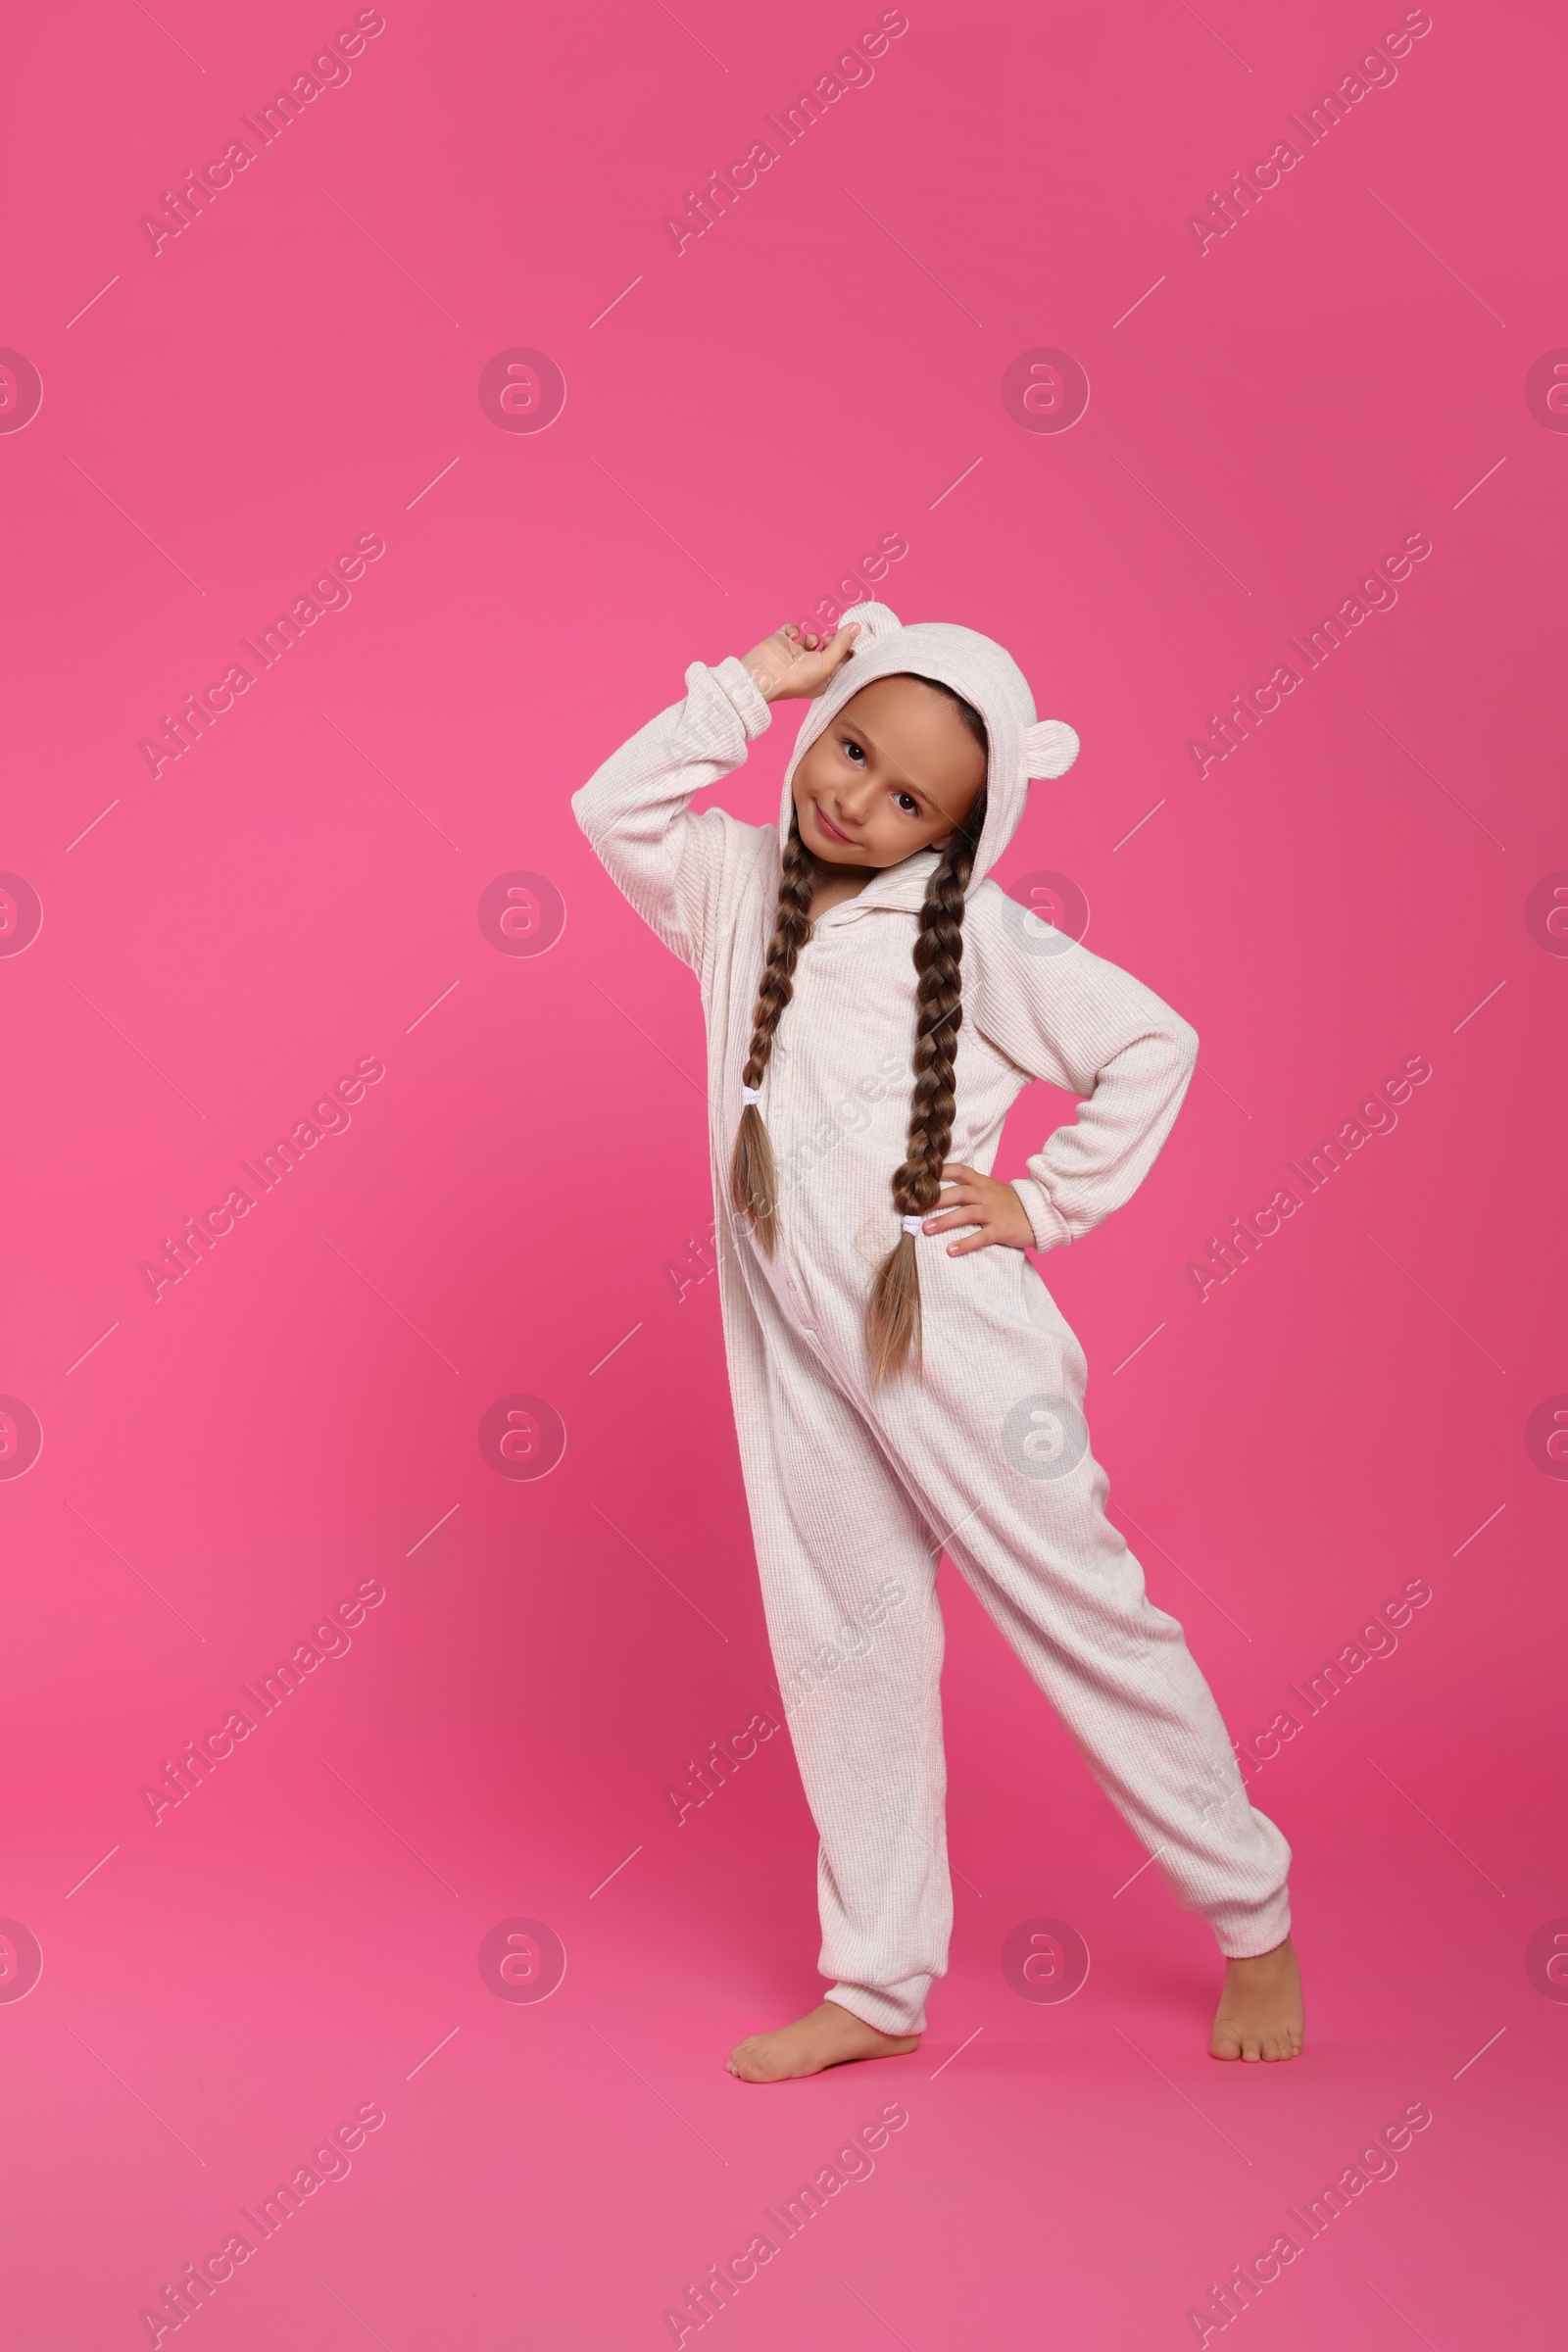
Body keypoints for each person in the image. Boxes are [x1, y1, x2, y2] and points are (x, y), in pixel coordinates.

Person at [571, 603, 1304, 2077]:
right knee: (847, 1652)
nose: (852, 796)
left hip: (952, 1349)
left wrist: (1045, 1202)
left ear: (953, 833)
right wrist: (753, 691)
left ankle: (1255, 1919)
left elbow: (1154, 1042)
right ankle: (877, 1986)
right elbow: (611, 806)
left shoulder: (979, 940)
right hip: (804, 1360)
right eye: (847, 749)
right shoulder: (739, 889)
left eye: (905, 797)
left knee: (1086, 1620)